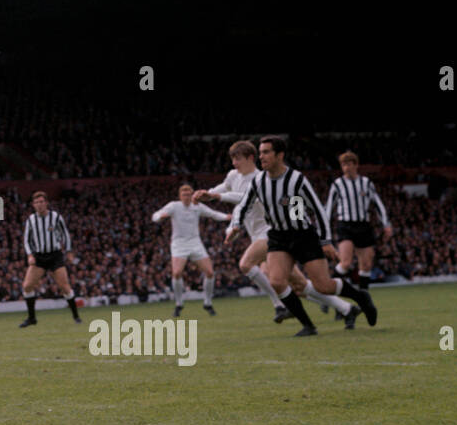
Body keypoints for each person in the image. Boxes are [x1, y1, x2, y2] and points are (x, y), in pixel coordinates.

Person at [224, 135, 377, 337]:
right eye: (260, 152)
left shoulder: (295, 179)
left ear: (280, 155)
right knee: (277, 282)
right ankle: (308, 325)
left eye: (266, 152)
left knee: (324, 285)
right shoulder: (259, 180)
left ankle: (361, 297)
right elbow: (245, 204)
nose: (262, 156)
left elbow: (318, 210)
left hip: (303, 235)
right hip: (278, 236)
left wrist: (325, 241)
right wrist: (235, 225)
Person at [198, 140, 357, 329]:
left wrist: (217, 198)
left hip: (270, 233)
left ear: (250, 158)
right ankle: (346, 308)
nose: (234, 163)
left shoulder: (260, 178)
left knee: (246, 264)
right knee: (299, 285)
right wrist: (204, 195)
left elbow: (243, 198)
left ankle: (279, 305)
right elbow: (223, 188)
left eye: (238, 158)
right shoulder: (233, 175)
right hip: (257, 236)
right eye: (232, 159)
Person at [152, 183, 231, 315]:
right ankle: (179, 304)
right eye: (184, 194)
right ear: (180, 196)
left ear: (192, 195)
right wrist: (160, 217)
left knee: (210, 273)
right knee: (176, 273)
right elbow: (155, 215)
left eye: (189, 194)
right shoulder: (174, 206)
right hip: (179, 244)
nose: (186, 197)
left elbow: (213, 214)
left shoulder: (197, 207)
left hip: (195, 243)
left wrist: (227, 217)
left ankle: (207, 303)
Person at [326, 151, 392, 289]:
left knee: (366, 265)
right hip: (346, 225)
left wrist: (386, 224)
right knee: (346, 262)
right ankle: (329, 290)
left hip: (363, 225)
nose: (346, 168)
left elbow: (378, 204)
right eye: (343, 165)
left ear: (356, 165)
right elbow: (328, 209)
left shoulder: (366, 183)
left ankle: (364, 297)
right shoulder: (338, 184)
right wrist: (324, 230)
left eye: (349, 164)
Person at [19, 190, 81, 326]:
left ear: (46, 203)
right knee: (27, 286)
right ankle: (32, 318)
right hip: (39, 257)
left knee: (64, 287)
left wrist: (69, 251)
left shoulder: (56, 217)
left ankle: (76, 316)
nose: (39, 204)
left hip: (55, 255)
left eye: (42, 202)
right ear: (33, 205)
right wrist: (30, 255)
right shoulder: (31, 219)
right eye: (36, 202)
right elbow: (26, 240)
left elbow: (65, 234)